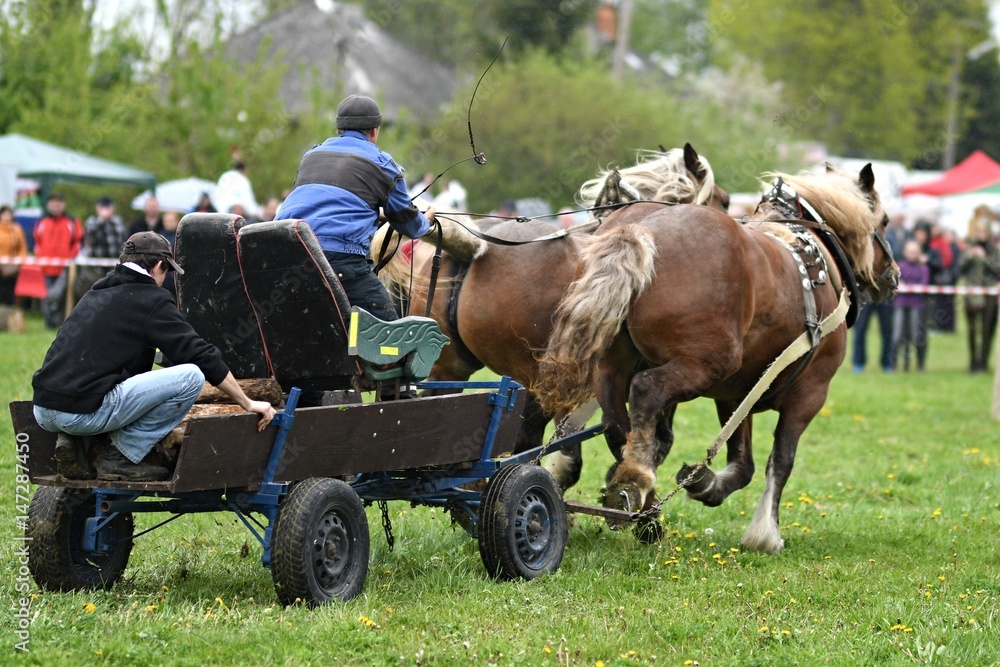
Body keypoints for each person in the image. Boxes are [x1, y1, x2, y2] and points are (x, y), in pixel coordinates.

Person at [31, 231, 276, 481]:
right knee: (191, 376)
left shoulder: (97, 291)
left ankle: (81, 444)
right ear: (159, 265)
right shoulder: (151, 299)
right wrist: (247, 402)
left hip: (42, 409)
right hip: (80, 413)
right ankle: (120, 457)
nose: (163, 280)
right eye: (166, 272)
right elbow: (200, 355)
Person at [276, 94, 435, 322]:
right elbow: (408, 223)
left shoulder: (311, 156)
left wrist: (373, 215)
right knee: (389, 332)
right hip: (338, 259)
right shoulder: (383, 164)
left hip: (286, 253)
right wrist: (425, 223)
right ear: (374, 131)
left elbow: (321, 205)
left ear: (339, 129)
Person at [32, 194, 83, 328]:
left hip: (64, 266)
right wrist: (40, 257)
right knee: (49, 295)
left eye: (58, 203)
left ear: (63, 205)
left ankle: (60, 321)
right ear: (48, 205)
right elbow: (37, 241)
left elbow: (78, 242)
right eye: (53, 204)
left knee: (57, 296)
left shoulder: (72, 221)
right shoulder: (42, 222)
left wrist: (70, 258)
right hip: (45, 266)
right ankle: (49, 323)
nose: (56, 206)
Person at [960, 218, 1000, 373]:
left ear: (988, 232)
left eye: (984, 230)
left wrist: (984, 258)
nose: (981, 233)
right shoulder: (969, 247)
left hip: (989, 292)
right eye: (978, 230)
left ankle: (983, 362)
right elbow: (960, 268)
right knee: (972, 329)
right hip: (971, 292)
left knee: (987, 329)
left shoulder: (994, 250)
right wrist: (969, 256)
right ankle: (973, 362)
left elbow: (997, 269)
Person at [891, 239, 931, 372]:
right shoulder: (900, 267)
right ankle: (894, 365)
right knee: (897, 335)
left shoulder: (923, 268)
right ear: (905, 252)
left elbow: (923, 285)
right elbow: (896, 282)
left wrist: (906, 286)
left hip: (916, 305)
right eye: (910, 252)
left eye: (915, 252)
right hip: (900, 304)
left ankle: (920, 365)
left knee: (916, 335)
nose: (912, 255)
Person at [0, 204, 28, 305]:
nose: (7, 216)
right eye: (4, 214)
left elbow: (22, 246)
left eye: (9, 214)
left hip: (11, 265)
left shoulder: (17, 229)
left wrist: (19, 260)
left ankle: (8, 308)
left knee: (10, 289)